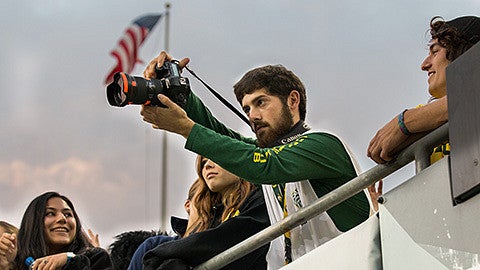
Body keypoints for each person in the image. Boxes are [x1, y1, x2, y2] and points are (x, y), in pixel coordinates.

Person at [140, 53, 370, 266]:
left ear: (292, 100)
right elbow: (223, 137)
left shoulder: (323, 144)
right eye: (247, 108)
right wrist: (177, 93)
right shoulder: (271, 153)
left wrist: (186, 129)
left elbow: (264, 164)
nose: (253, 116)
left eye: (261, 102)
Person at [367, 15, 480, 164]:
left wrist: (405, 122)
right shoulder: (423, 113)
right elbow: (384, 149)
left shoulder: (412, 118)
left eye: (435, 52)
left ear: (464, 54)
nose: (424, 65)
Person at [142, 156, 270, 270]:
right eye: (203, 163)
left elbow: (220, 240)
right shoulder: (213, 216)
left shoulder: (261, 198)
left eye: (215, 157)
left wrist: (159, 254)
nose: (208, 165)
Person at [14, 191, 112, 270]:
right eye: (50, 213)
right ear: (33, 223)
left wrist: (70, 259)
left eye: (68, 214)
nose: (62, 219)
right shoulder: (17, 262)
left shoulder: (96, 259)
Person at [126, 178, 202, 270]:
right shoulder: (153, 245)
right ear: (187, 205)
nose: (209, 205)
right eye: (203, 197)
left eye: (217, 201)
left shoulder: (220, 255)